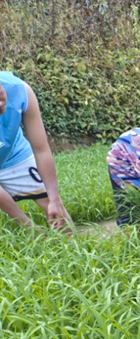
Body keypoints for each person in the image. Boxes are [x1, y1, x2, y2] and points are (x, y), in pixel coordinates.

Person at [0, 72, 72, 229]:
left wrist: (54, 199)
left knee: (60, 217)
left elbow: (41, 149)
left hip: (14, 153)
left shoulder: (20, 90)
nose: (0, 103)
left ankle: (76, 246)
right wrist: (27, 225)